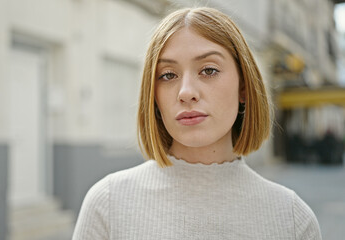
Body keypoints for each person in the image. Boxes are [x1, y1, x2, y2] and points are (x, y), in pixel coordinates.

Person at [72, 7, 322, 240]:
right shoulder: (108, 204)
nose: (186, 92)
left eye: (209, 70)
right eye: (168, 75)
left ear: (244, 87)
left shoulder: (292, 219)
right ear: (154, 96)